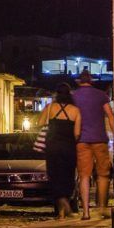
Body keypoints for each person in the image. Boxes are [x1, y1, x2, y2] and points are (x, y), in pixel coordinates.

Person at [73, 70, 114, 220]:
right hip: (99, 139)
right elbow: (110, 116)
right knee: (103, 174)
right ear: (91, 80)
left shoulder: (74, 96)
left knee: (84, 176)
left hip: (81, 141)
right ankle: (102, 207)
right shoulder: (101, 95)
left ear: (79, 81)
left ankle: (85, 212)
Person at [40, 83, 82, 219]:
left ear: (57, 94)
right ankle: (65, 204)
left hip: (52, 147)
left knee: (54, 176)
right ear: (69, 94)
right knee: (68, 176)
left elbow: (39, 123)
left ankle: (61, 210)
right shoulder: (76, 111)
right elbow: (77, 133)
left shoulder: (50, 107)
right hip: (69, 148)